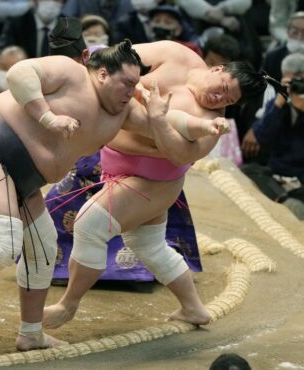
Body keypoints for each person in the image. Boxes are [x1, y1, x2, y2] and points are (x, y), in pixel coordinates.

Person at [0, 38, 159, 349]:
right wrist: (48, 117)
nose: (132, 90)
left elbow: (168, 128)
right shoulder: (71, 71)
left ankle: (31, 332)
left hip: (24, 177)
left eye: (137, 84)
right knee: (3, 243)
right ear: (104, 74)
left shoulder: (123, 112)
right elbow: (19, 74)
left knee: (43, 247)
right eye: (127, 82)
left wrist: (178, 116)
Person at [42, 40, 268, 331]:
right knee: (149, 246)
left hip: (153, 183)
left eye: (229, 101)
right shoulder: (177, 55)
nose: (218, 99)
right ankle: (193, 308)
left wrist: (158, 117)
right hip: (116, 165)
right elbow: (118, 60)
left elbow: (180, 154)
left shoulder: (212, 123)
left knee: (89, 225)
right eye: (223, 87)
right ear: (218, 68)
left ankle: (68, 304)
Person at [241, 53, 304, 220]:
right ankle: (282, 197)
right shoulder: (278, 104)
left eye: (300, 81)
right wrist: (279, 103)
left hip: (301, 175)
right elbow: (261, 138)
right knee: (247, 171)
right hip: (276, 173)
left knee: (294, 204)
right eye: (291, 82)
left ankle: (284, 199)